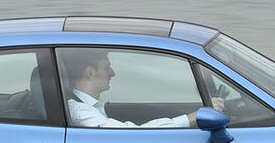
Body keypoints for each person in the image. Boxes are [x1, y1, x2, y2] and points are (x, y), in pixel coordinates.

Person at [64, 49, 224, 128]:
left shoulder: (94, 107)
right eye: (107, 68)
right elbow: (133, 134)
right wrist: (192, 118)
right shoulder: (80, 112)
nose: (112, 73)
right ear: (90, 72)